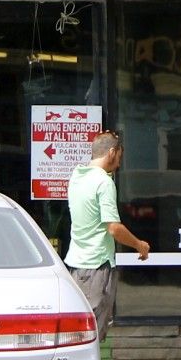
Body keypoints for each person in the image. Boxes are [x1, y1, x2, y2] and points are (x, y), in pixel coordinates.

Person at [63, 130, 148, 341]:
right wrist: (139, 245)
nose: (119, 164)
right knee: (90, 335)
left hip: (76, 265)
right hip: (96, 266)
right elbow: (114, 228)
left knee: (78, 331)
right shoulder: (104, 182)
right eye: (119, 157)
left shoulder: (76, 176)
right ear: (111, 152)